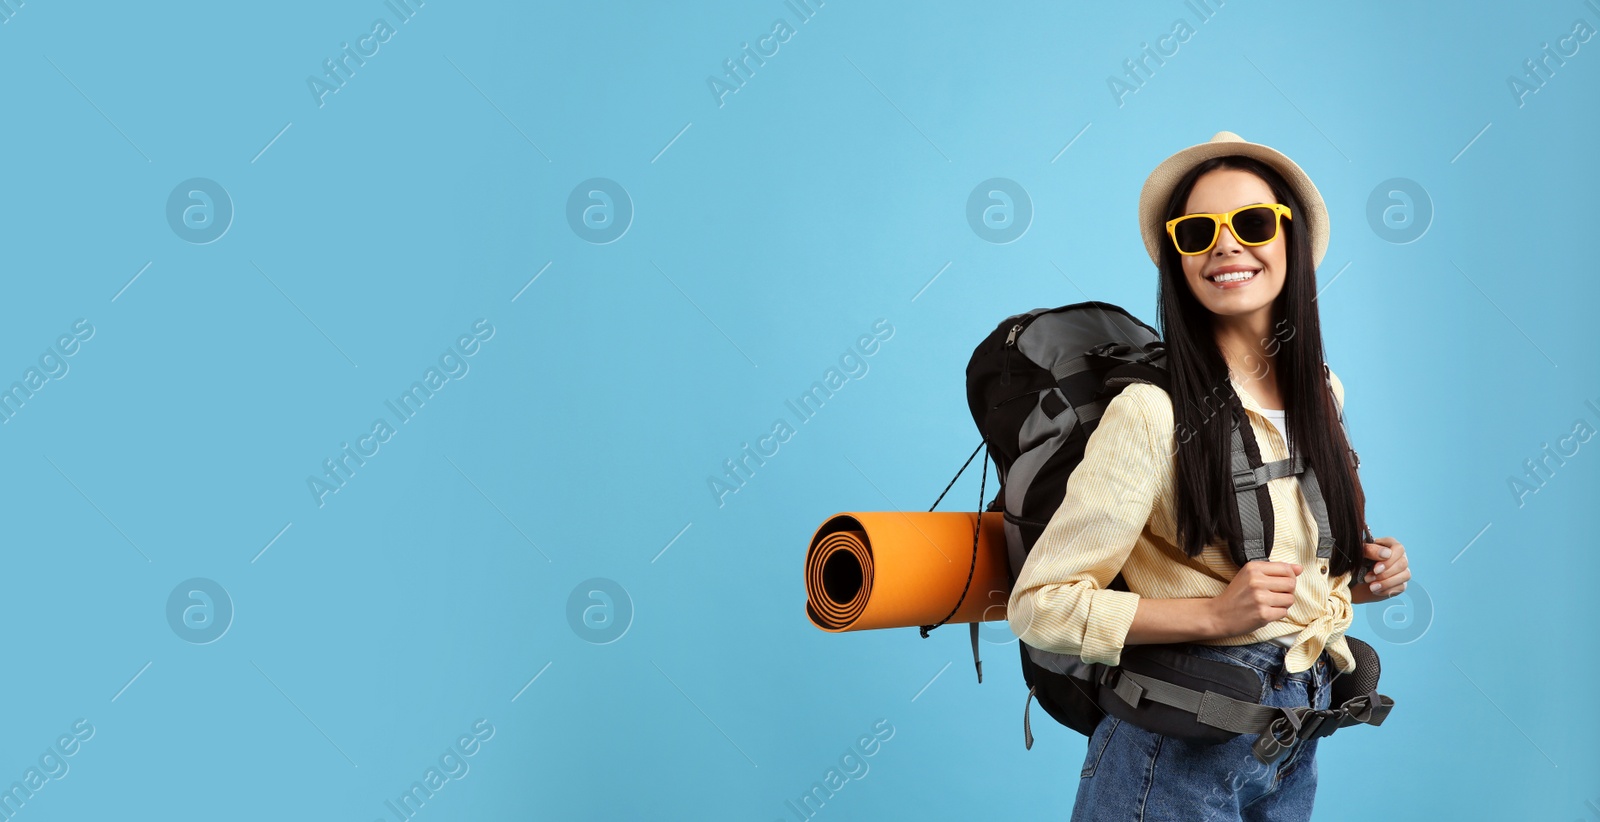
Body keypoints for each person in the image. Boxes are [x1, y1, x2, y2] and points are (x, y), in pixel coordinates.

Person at [1005, 131, 1413, 821]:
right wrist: (1214, 616)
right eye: (1199, 232)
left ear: (1293, 238)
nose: (1226, 246)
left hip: (1289, 742)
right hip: (1170, 757)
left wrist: (1355, 581)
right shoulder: (1151, 410)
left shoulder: (1321, 394)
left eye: (1252, 224)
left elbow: (1277, 576)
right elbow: (1039, 605)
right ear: (1178, 259)